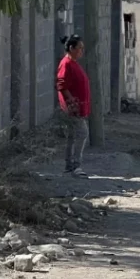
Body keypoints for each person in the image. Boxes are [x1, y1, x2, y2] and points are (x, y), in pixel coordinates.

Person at [56, 35, 92, 177]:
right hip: (72, 108)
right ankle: (76, 166)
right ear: (71, 48)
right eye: (79, 48)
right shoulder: (66, 64)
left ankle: (69, 166)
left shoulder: (73, 63)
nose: (82, 51)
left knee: (73, 135)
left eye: (82, 48)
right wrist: (71, 102)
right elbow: (62, 85)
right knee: (82, 133)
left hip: (76, 107)